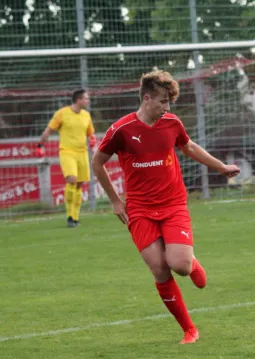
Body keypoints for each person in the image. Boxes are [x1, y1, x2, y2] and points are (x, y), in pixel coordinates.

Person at [91, 70, 240, 344]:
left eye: (170, 102)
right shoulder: (121, 130)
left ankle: (190, 261)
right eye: (162, 101)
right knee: (159, 268)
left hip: (173, 204)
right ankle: (189, 329)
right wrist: (114, 200)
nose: (167, 107)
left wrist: (221, 167)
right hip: (139, 209)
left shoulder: (172, 123)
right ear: (146, 99)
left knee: (180, 266)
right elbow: (97, 163)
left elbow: (190, 147)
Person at [36, 89, 97, 228]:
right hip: (67, 152)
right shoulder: (62, 113)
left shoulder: (86, 115)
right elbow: (49, 130)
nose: (88, 101)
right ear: (78, 100)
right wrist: (40, 145)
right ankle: (70, 216)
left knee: (80, 184)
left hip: (82, 153)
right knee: (72, 180)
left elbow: (90, 133)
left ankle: (75, 217)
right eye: (86, 99)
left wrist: (92, 140)